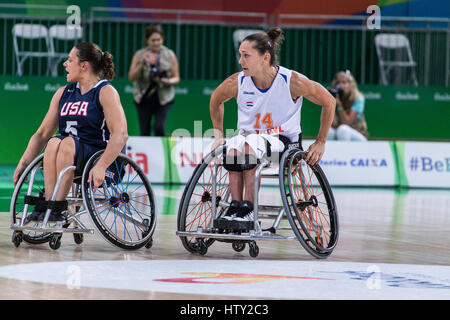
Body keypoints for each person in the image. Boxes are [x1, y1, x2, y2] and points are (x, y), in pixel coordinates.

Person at [209, 27, 335, 226]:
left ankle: (249, 209)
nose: (240, 61)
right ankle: (235, 206)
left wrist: (321, 141)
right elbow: (215, 100)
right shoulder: (237, 82)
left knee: (250, 146)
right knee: (232, 148)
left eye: (246, 56)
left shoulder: (292, 81)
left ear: (265, 57)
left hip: (285, 144)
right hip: (250, 137)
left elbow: (329, 101)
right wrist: (218, 134)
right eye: (240, 55)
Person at [13, 42, 128, 222]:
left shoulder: (105, 92)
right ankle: (50, 204)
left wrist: (102, 165)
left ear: (84, 65)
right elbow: (42, 134)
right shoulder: (63, 93)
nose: (65, 64)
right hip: (70, 156)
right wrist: (24, 163)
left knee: (66, 142)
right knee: (52, 141)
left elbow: (120, 135)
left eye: (69, 60)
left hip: (100, 158)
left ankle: (56, 208)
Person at [128, 24, 180, 137]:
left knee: (159, 127)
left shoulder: (169, 55)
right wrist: (142, 63)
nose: (156, 43)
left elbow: (176, 78)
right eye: (153, 40)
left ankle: (161, 152)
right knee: (144, 130)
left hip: (164, 98)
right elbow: (132, 77)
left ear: (162, 39)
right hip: (143, 97)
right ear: (147, 40)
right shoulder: (139, 55)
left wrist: (165, 80)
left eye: (158, 40)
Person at [328, 70, 368, 141]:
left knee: (343, 129)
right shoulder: (335, 98)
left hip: (359, 137)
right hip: (341, 133)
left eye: (344, 82)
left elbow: (347, 123)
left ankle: (344, 152)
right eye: (338, 82)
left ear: (351, 84)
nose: (340, 85)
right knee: (329, 132)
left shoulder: (358, 98)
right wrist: (331, 104)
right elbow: (334, 124)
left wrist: (340, 106)